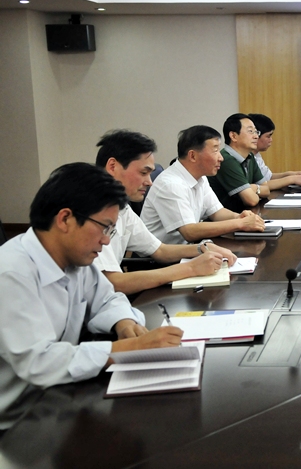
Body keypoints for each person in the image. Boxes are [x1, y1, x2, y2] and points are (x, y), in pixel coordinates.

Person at [0, 163, 183, 428]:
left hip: (58, 400)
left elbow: (107, 298)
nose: (107, 241)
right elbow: (39, 362)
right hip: (17, 423)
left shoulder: (75, 261)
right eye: (104, 227)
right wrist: (131, 348)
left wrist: (124, 323)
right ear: (65, 219)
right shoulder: (11, 273)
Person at [94, 130, 237, 294]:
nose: (149, 182)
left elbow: (160, 250)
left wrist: (202, 248)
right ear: (113, 166)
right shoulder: (91, 211)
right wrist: (190, 268)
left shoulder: (122, 208)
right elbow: (112, 283)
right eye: (143, 173)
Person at [141, 125, 266, 244]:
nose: (221, 158)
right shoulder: (171, 184)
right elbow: (189, 232)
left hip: (188, 249)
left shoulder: (201, 178)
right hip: (161, 257)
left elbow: (217, 212)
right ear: (193, 156)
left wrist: (240, 217)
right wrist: (240, 224)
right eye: (215, 150)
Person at [208, 114, 271, 213]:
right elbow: (251, 200)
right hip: (225, 217)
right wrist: (257, 190)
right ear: (233, 136)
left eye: (256, 132)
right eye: (250, 131)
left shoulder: (249, 156)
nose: (256, 136)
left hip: (241, 215)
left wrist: (254, 188)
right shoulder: (226, 160)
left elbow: (267, 190)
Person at [248, 113, 301, 190]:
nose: (271, 140)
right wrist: (292, 179)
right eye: (268, 136)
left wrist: (292, 175)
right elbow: (261, 185)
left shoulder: (256, 155)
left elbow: (268, 177)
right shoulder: (244, 158)